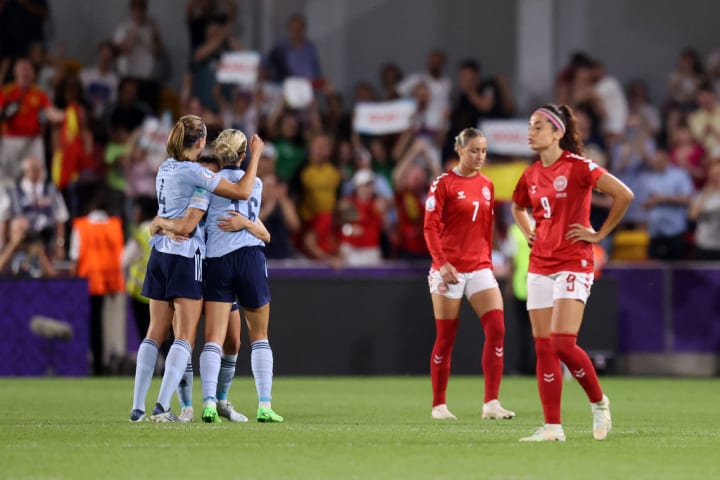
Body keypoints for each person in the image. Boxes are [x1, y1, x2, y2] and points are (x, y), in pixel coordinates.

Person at [510, 103, 634, 442]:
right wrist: (526, 230)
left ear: (557, 132)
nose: (530, 132)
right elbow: (517, 205)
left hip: (573, 261)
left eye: (537, 126)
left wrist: (599, 235)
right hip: (540, 264)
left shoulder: (578, 167)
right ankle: (553, 427)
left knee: (563, 343)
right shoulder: (530, 173)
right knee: (543, 347)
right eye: (530, 126)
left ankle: (599, 402)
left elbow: (624, 194)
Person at [128, 114, 263, 422]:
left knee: (153, 333)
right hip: (185, 257)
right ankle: (163, 407)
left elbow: (170, 217)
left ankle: (138, 407)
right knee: (185, 337)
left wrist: (161, 221)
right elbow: (237, 195)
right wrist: (255, 156)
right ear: (201, 142)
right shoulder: (195, 174)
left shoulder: (165, 167)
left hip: (159, 256)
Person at [155, 129, 283, 423]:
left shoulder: (207, 186)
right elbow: (257, 217)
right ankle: (264, 405)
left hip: (215, 261)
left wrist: (165, 223)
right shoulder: (257, 184)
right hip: (249, 260)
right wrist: (248, 224)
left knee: (214, 338)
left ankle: (210, 403)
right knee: (259, 336)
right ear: (242, 155)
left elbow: (197, 215)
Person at [423, 127, 514, 421]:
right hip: (448, 270)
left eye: (484, 151)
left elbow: (486, 230)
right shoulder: (443, 184)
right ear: (460, 150)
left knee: (497, 329)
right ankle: (439, 405)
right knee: (446, 337)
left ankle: (491, 403)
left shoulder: (487, 184)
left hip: (479, 268)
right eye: (474, 150)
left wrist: (491, 259)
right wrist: (442, 263)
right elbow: (430, 227)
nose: (479, 156)